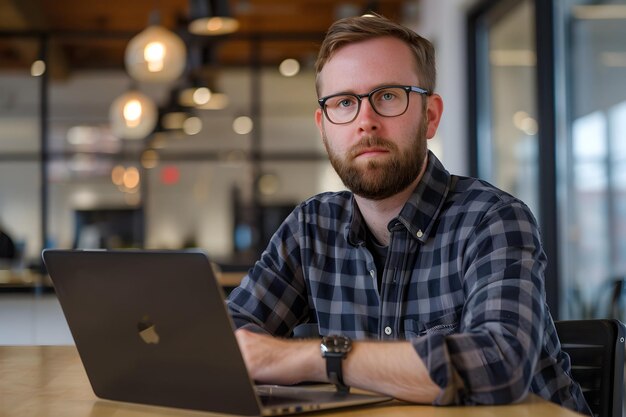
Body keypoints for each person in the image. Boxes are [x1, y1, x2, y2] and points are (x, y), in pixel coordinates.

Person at [227, 13, 590, 414]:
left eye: (388, 96)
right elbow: (222, 342)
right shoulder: (311, 228)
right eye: (344, 102)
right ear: (324, 126)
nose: (366, 121)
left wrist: (324, 357)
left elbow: (499, 365)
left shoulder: (494, 220)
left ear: (430, 116)